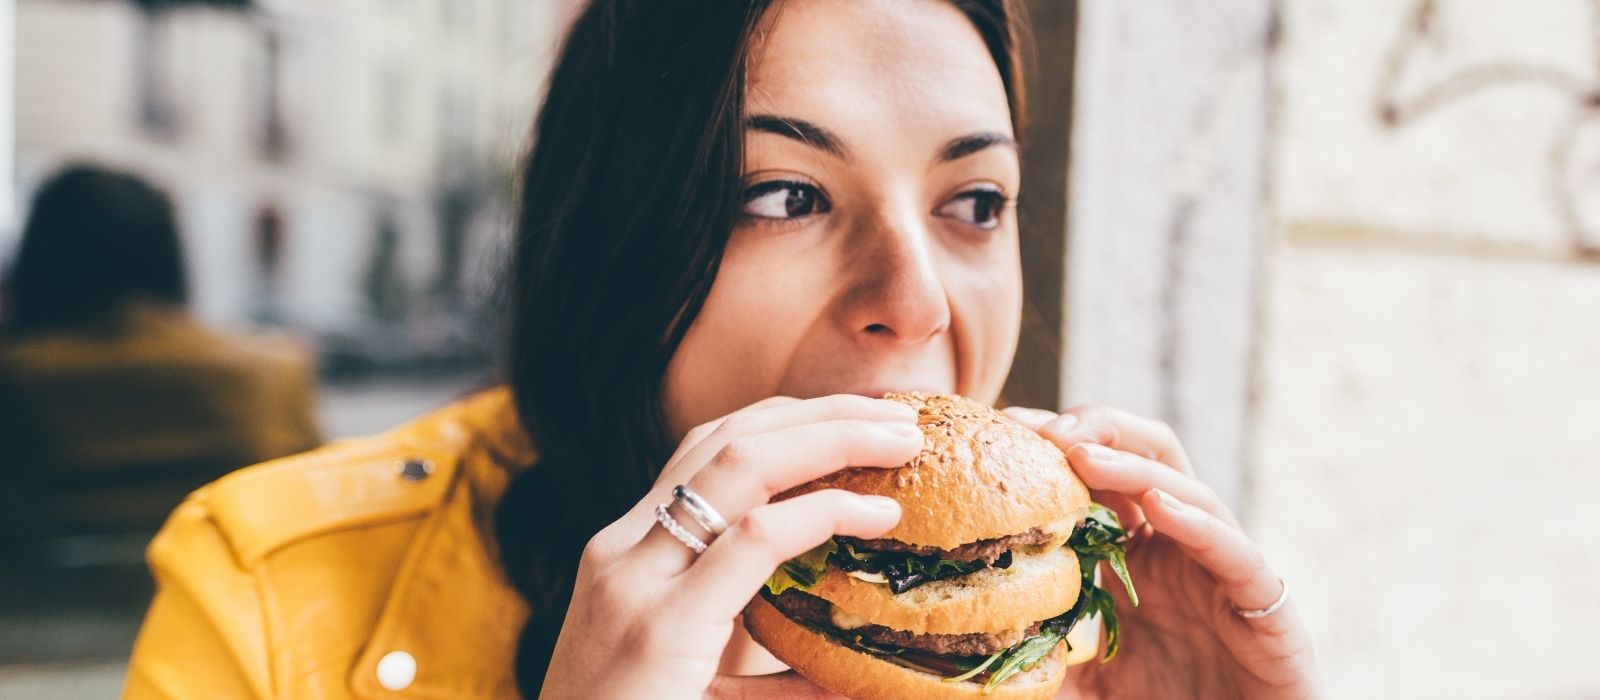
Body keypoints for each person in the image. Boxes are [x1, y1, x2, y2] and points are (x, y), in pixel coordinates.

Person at [123, 1, 1321, 698]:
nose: (915, 303)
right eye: (785, 195)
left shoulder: (1077, 643)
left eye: (974, 203)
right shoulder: (265, 591)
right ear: (614, 238)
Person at [0, 165, 321, 551]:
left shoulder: (17, 379)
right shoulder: (275, 373)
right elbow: (314, 515)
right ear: (171, 254)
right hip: (221, 588)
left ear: (39, 257)